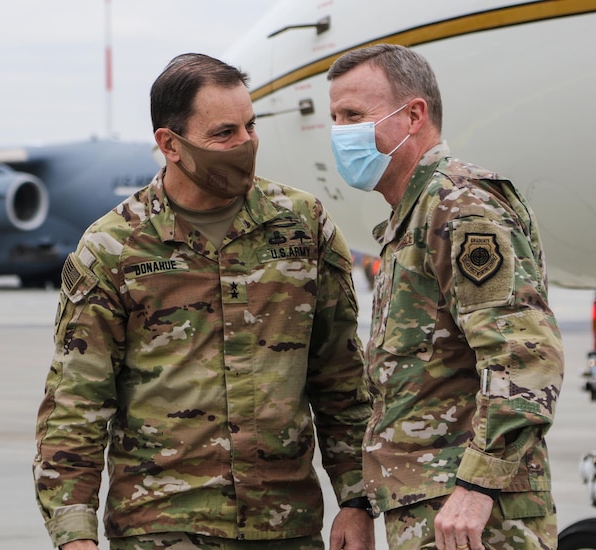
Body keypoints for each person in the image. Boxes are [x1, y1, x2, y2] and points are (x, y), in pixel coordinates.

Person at [33, 53, 373, 550]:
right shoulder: (114, 247)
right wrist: (72, 534)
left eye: (249, 127)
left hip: (284, 526)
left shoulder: (303, 227)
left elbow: (340, 378)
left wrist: (357, 500)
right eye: (223, 134)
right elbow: (76, 402)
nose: (244, 144)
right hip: (162, 526)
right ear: (170, 144)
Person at [326, 44, 564, 550]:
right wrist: (362, 501)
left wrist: (477, 487)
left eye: (354, 115)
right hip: (430, 509)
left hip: (478, 518)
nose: (341, 133)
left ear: (413, 115)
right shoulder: (409, 217)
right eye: (335, 118)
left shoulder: (460, 205)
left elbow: (525, 358)